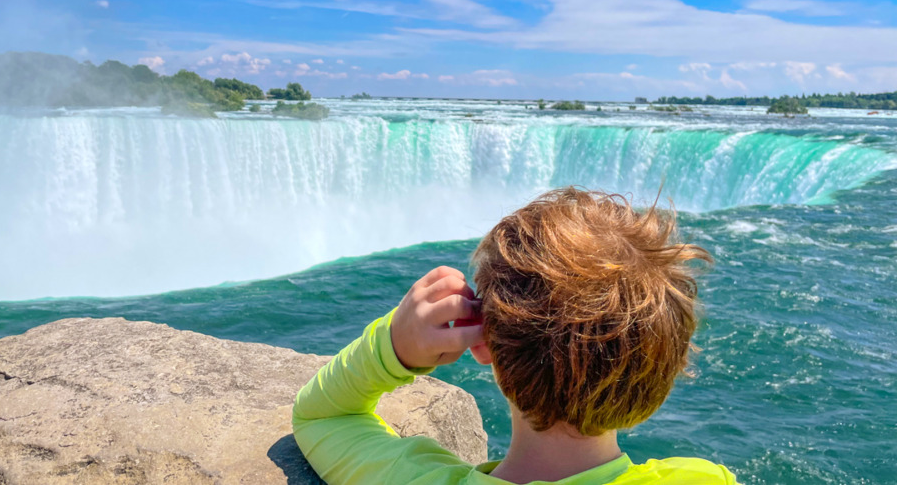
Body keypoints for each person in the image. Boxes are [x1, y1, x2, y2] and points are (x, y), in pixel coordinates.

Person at [292, 187, 738, 484]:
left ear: (481, 342)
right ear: (666, 370)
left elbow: (322, 416)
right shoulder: (702, 478)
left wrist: (395, 348)